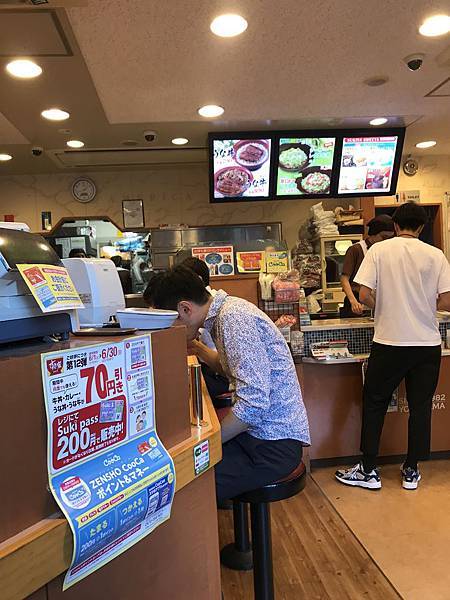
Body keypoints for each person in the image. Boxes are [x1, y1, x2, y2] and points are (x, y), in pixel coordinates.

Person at [144, 266, 310, 501]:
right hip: (258, 435)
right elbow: (231, 369)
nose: (167, 330)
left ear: (184, 308)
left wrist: (207, 443)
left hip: (272, 444)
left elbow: (253, 405)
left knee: (190, 483)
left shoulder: (234, 318)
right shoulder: (225, 312)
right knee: (191, 466)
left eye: (167, 322)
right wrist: (198, 348)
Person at [336, 202, 450, 491]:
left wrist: (384, 305)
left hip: (389, 341)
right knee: (420, 406)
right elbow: (447, 301)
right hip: (426, 344)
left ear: (396, 226)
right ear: (422, 228)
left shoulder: (378, 251)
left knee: (374, 402)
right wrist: (425, 306)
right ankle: (411, 470)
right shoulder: (436, 255)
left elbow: (364, 294)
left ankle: (369, 470)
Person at [179, 257, 230, 403]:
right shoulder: (211, 302)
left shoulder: (212, 308)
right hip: (216, 368)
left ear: (198, 280)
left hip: (219, 375)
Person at [340, 215, 395, 317]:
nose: (386, 241)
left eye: (390, 238)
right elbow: (344, 279)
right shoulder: (356, 250)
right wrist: (353, 301)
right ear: (373, 234)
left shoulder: (387, 252)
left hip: (377, 300)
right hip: (356, 303)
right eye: (384, 237)